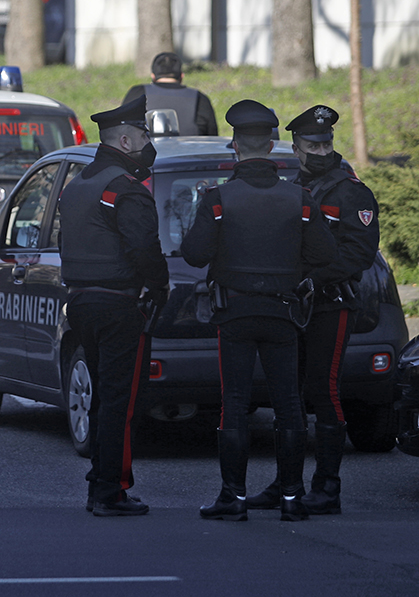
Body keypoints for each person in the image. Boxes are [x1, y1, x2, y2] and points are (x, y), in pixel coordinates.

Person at [180, 100, 335, 522]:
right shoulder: (299, 199)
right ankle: (291, 498)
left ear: (235, 146)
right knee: (288, 404)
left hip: (234, 314)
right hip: (284, 315)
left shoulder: (218, 198)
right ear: (272, 145)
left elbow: (194, 254)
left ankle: (234, 498)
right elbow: (324, 253)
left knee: (235, 401)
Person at [244, 105, 380, 515]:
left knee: (323, 390)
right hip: (292, 305)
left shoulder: (351, 191)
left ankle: (327, 487)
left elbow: (360, 253)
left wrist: (315, 280)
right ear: (295, 148)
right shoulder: (291, 188)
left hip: (330, 305)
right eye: (312, 145)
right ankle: (286, 484)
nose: (321, 151)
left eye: (326, 143)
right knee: (288, 396)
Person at [58, 95, 169, 517]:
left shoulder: (78, 186)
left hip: (82, 303)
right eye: (142, 135)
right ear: (124, 140)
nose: (146, 143)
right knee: (122, 402)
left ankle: (100, 483)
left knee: (105, 396)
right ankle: (112, 490)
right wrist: (158, 287)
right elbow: (145, 247)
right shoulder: (123, 189)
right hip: (120, 305)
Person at [123, 52, 218, 136]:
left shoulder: (137, 93)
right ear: (181, 76)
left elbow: (122, 128)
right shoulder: (199, 98)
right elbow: (212, 137)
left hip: (146, 155)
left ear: (153, 76)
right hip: (188, 154)